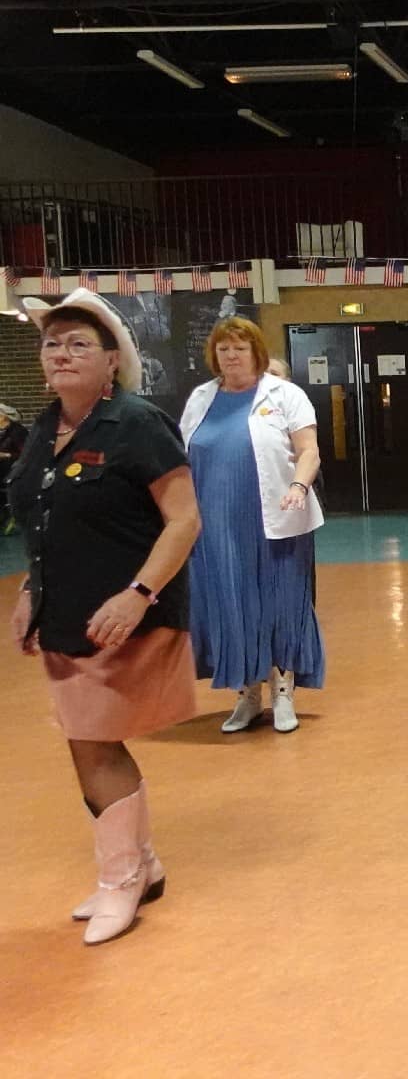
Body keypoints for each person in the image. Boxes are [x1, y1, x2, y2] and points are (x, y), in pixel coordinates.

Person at [10, 289, 200, 945]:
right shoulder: (42, 429)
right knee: (86, 741)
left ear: (112, 361)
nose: (60, 353)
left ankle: (123, 880)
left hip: (125, 615)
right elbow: (42, 520)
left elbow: (184, 519)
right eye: (52, 343)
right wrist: (31, 590)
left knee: (93, 740)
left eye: (77, 343)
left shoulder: (137, 423)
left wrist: (138, 594)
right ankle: (138, 867)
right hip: (65, 615)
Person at [180, 316, 325, 735]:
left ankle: (283, 691)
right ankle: (246, 694)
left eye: (239, 348)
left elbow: (309, 450)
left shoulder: (286, 395)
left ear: (256, 353)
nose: (231, 355)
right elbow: (182, 456)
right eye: (224, 348)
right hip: (216, 522)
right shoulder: (200, 399)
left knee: (279, 603)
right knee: (231, 605)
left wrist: (299, 485)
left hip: (277, 517)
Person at [0, 402, 26, 534]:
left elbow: (26, 454)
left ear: (4, 416)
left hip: (11, 469)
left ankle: (6, 514)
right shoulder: (2, 431)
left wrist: (6, 454)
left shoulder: (18, 431)